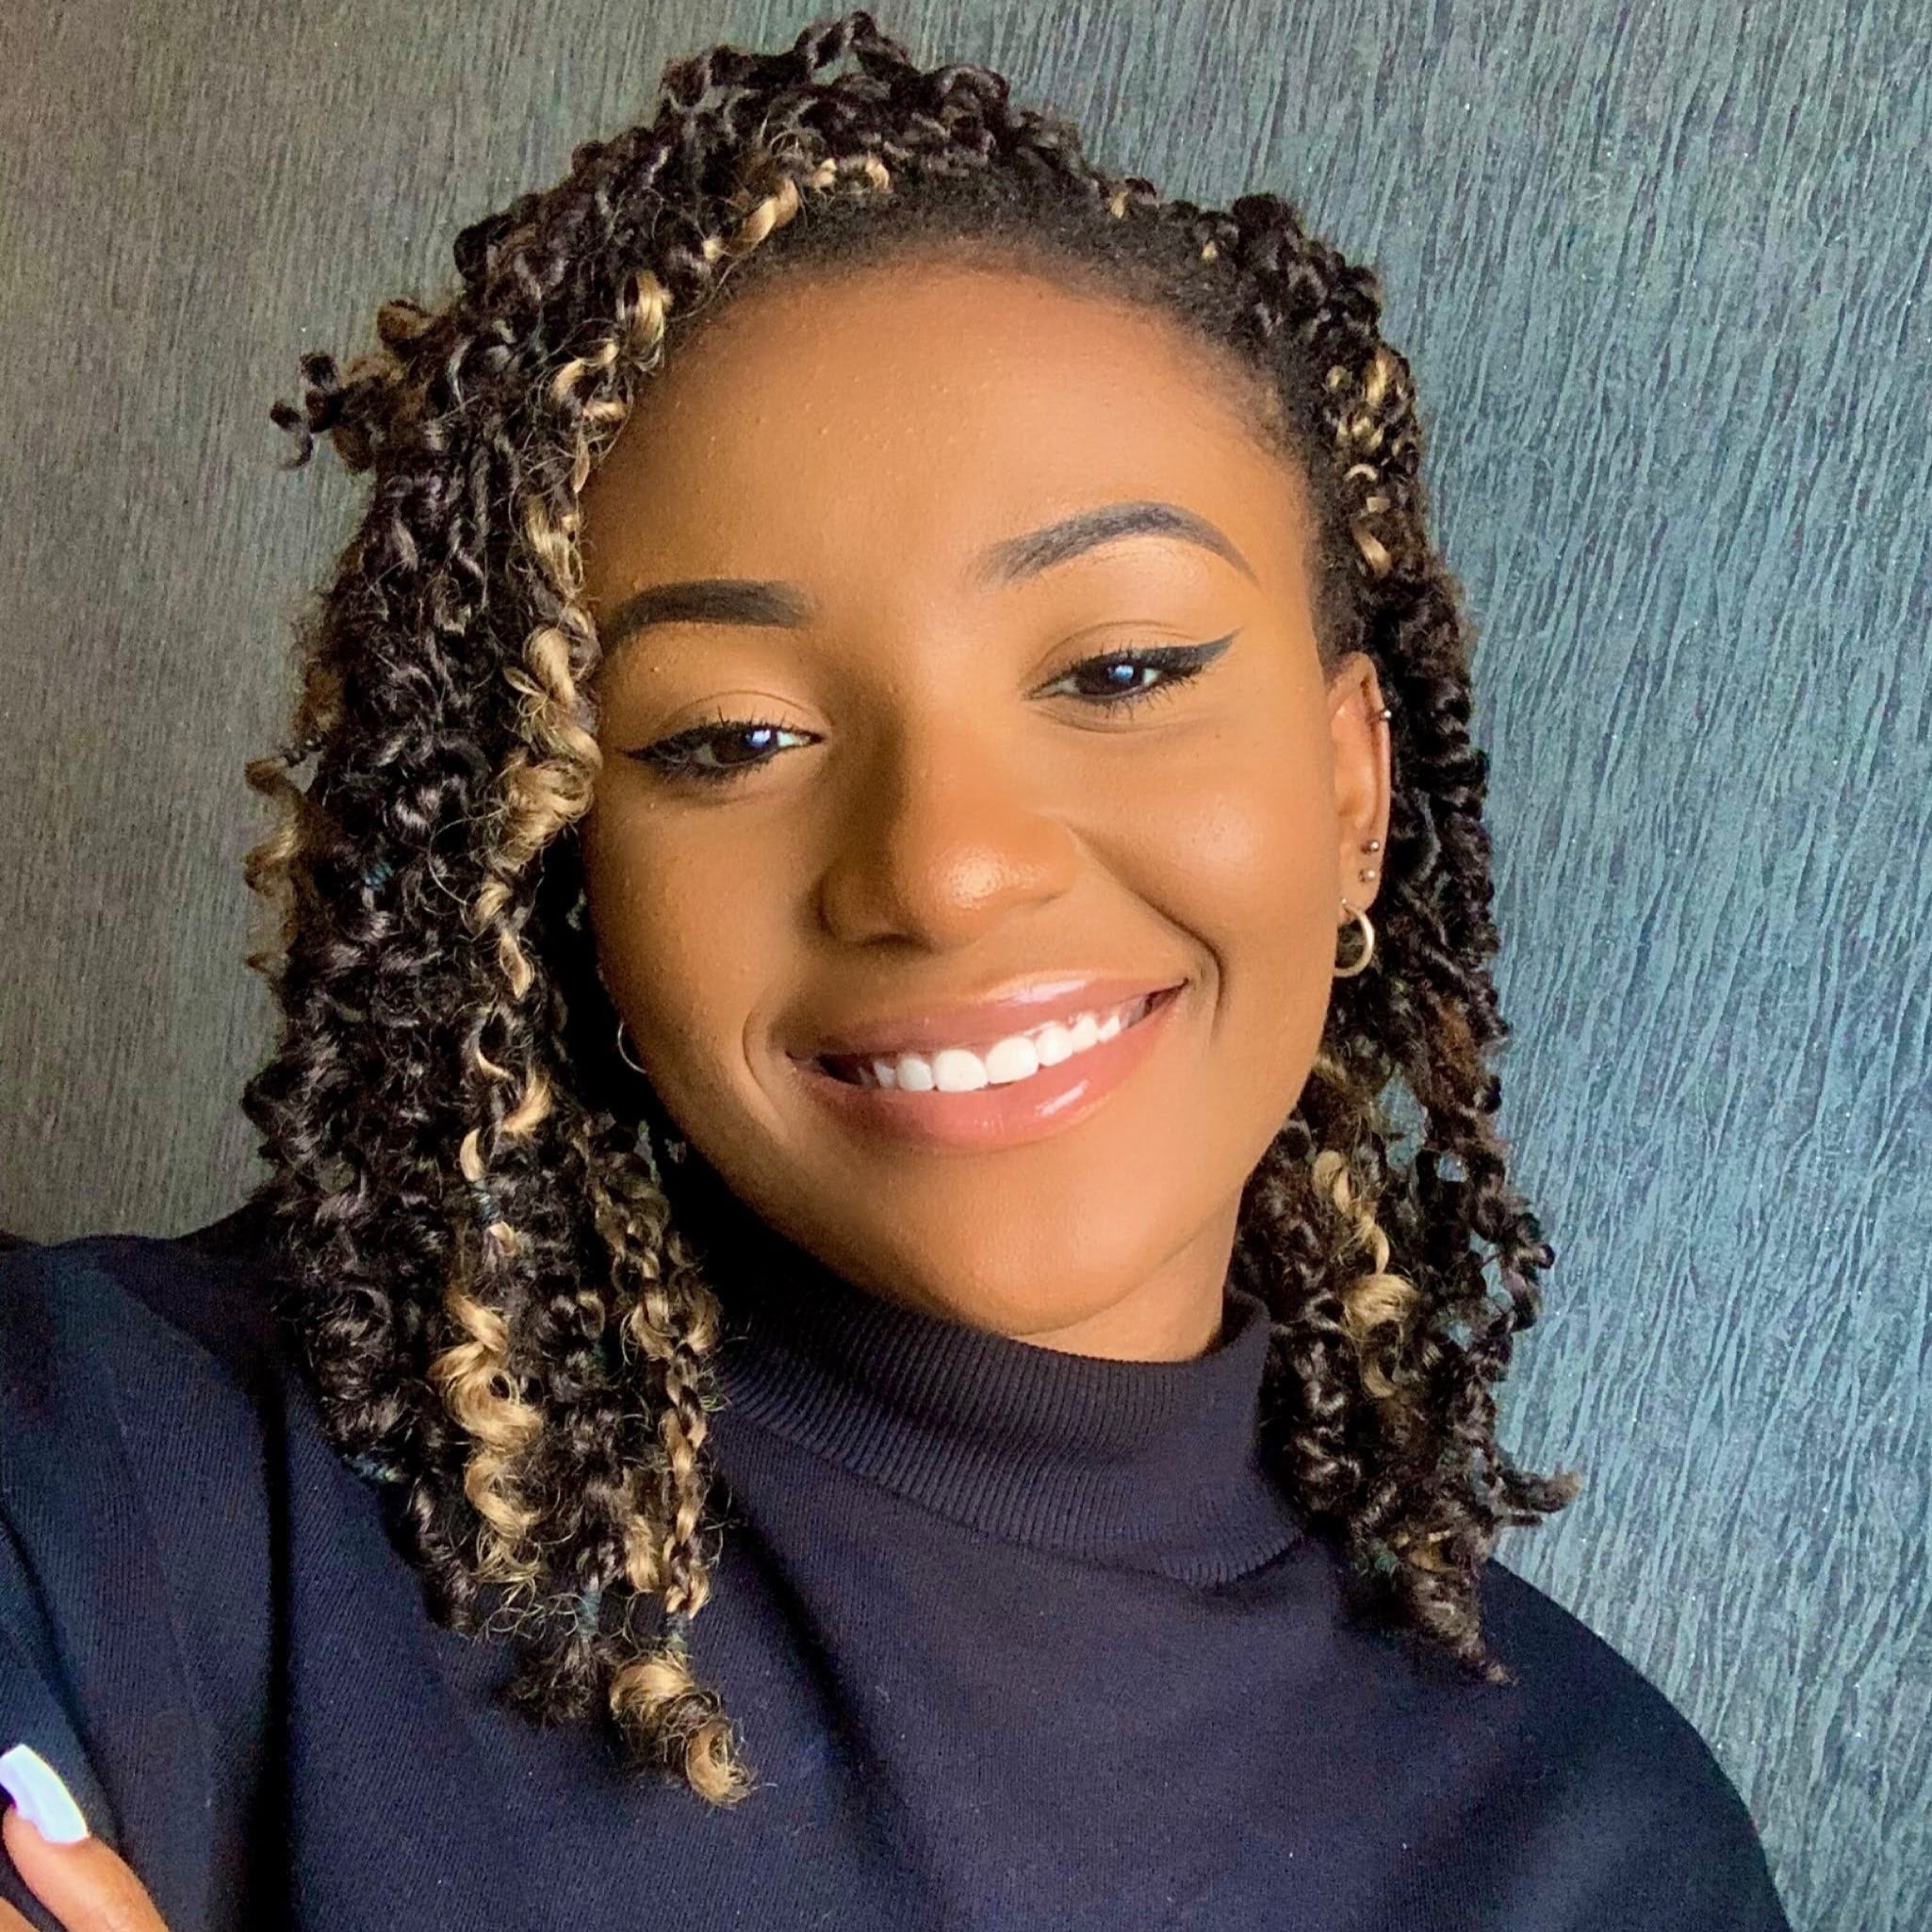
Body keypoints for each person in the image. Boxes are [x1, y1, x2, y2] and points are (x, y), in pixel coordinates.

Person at [0, 10, 1793, 1929]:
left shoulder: (1595, 1845)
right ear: (567, 863)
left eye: (1117, 672)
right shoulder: (141, 1462)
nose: (941, 867)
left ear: (1353, 788)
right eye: (729, 738)